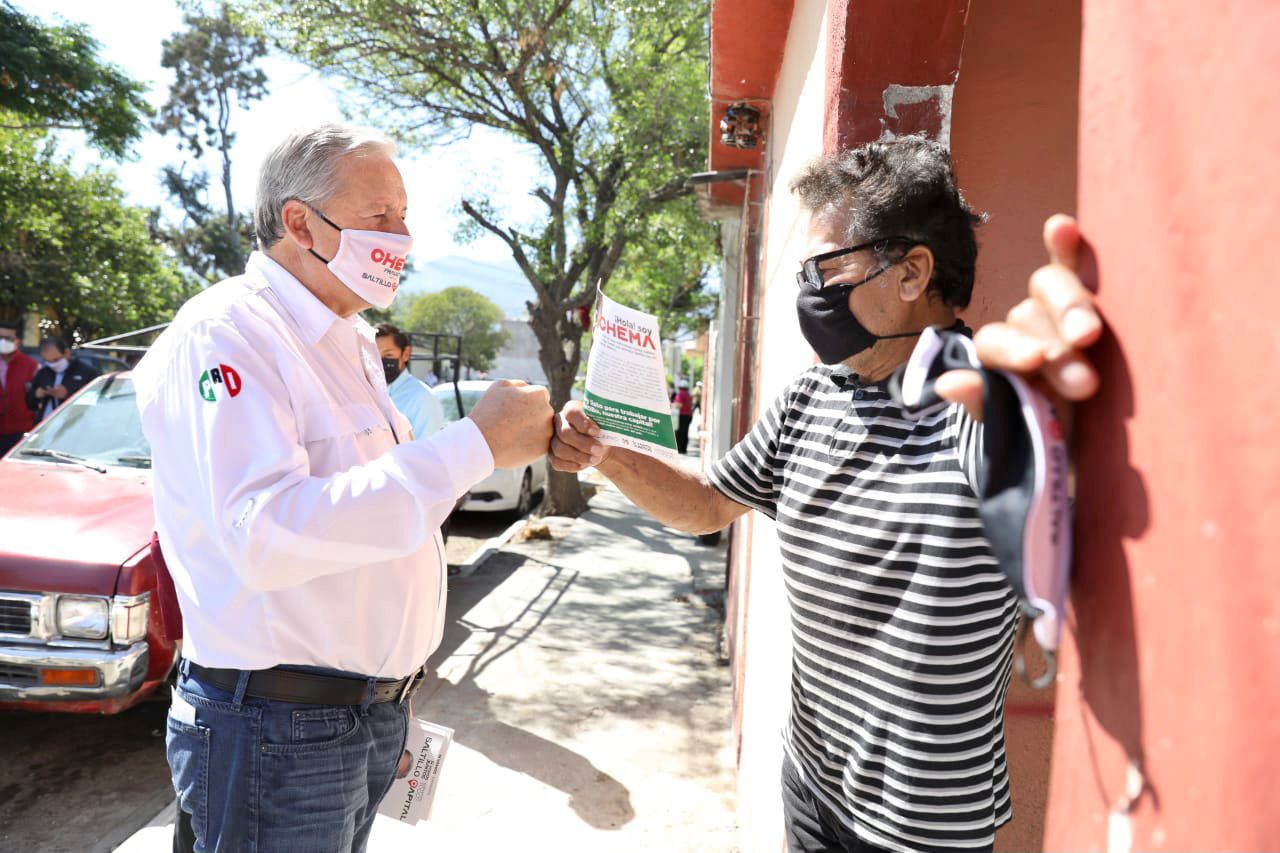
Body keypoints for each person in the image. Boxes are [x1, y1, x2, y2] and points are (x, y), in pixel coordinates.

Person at [552, 138, 1102, 853]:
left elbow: (1041, 491)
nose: (810, 288)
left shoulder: (980, 404)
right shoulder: (813, 396)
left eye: (828, 265)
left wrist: (1066, 427)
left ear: (912, 273)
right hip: (812, 781)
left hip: (920, 824)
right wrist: (606, 454)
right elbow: (708, 504)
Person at [132, 123, 553, 853]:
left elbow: (375, 505)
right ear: (300, 222)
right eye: (379, 217)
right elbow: (263, 534)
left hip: (359, 718)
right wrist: (475, 444)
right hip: (278, 727)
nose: (404, 237)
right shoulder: (227, 333)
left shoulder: (349, 339)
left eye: (405, 216)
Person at [376, 323, 446, 438]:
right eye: (373, 355)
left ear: (406, 353)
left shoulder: (423, 398)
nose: (379, 361)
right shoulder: (367, 392)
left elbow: (427, 451)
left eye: (388, 354)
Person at [27, 336, 100, 423]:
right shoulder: (43, 373)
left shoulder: (86, 372)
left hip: (75, 423)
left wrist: (69, 395)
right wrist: (36, 395)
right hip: (47, 423)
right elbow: (30, 404)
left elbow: (98, 400)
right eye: (48, 361)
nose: (53, 364)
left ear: (66, 353)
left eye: (56, 360)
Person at [0, 321, 38, 456]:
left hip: (20, 432)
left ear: (18, 341)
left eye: (8, 339)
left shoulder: (31, 365)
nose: (3, 342)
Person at [671, 380, 693, 454]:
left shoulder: (681, 394)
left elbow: (679, 405)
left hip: (681, 415)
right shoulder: (688, 394)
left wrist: (672, 405)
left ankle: (679, 449)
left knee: (679, 433)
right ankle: (683, 449)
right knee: (685, 433)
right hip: (688, 415)